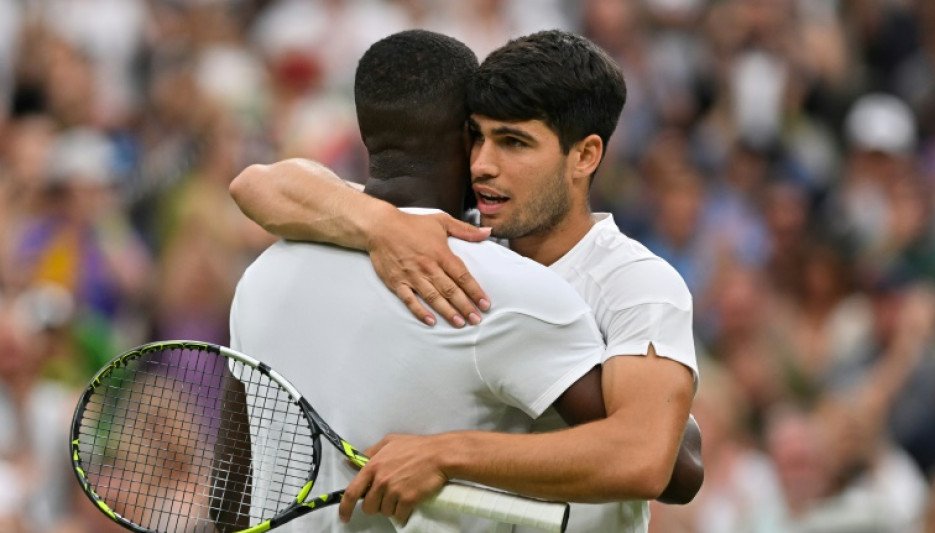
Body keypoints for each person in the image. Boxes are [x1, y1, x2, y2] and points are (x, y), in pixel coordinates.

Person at [231, 30, 699, 532]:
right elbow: (258, 184)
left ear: (584, 156)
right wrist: (383, 227)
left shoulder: (637, 283)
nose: (483, 165)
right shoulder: (441, 236)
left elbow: (651, 460)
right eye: (477, 136)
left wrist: (446, 454)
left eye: (514, 143)